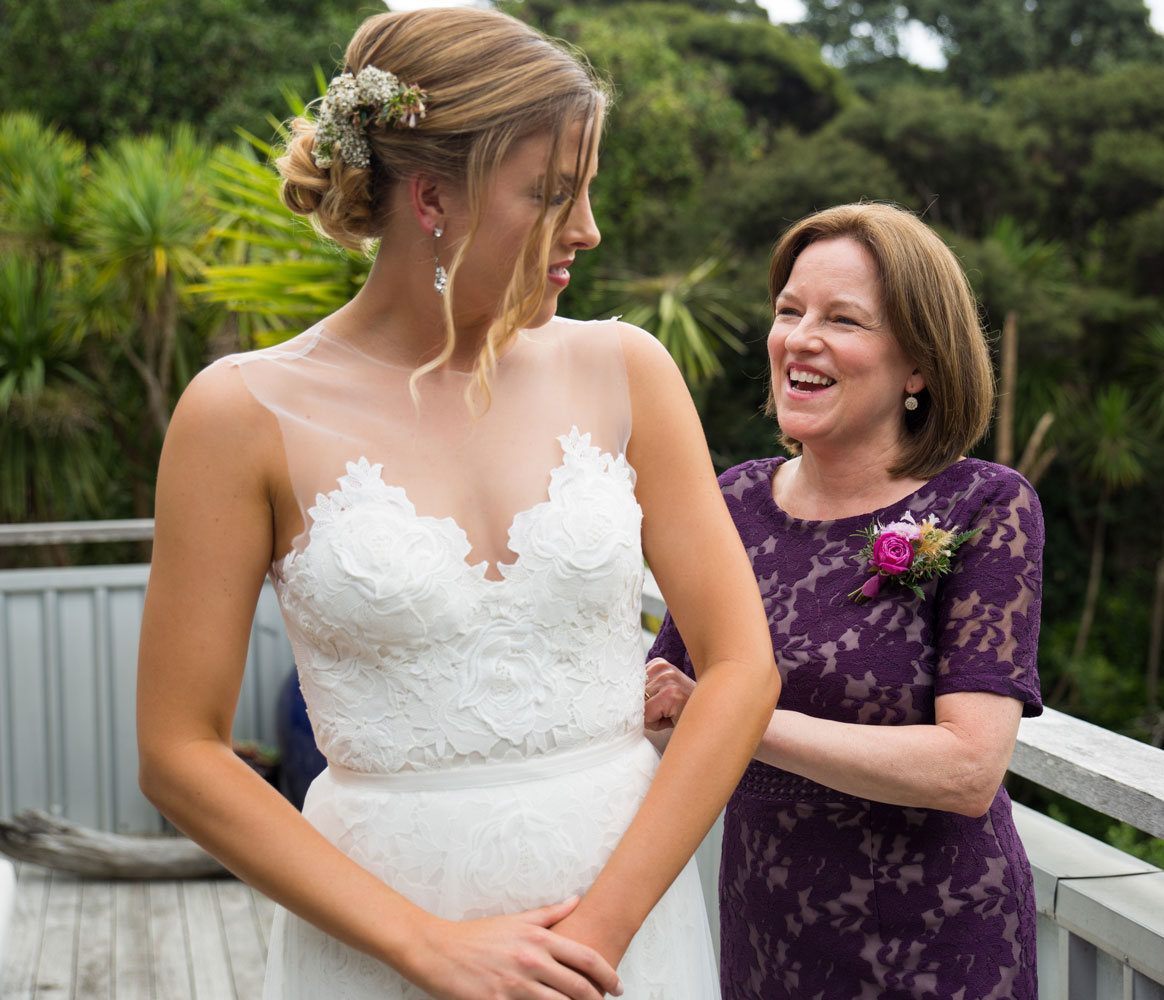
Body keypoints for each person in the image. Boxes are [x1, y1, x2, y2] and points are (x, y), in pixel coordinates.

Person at [135, 8, 778, 999]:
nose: (589, 230)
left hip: (624, 936)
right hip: (380, 940)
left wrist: (594, 941)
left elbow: (740, 666)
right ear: (432, 195)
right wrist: (424, 944)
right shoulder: (241, 412)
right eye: (552, 194)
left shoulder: (628, 371)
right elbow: (179, 752)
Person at [644, 203, 1044, 1000]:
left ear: (919, 365)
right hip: (765, 934)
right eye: (789, 311)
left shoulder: (985, 506)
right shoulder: (734, 502)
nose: (800, 338)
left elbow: (968, 767)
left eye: (843, 319)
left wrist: (738, 718)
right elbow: (663, 711)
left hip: (939, 949)